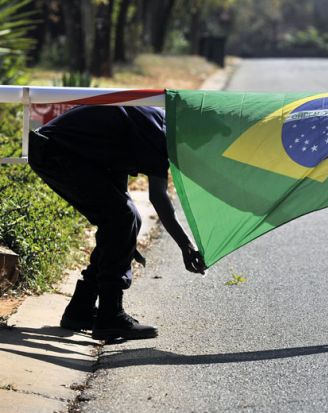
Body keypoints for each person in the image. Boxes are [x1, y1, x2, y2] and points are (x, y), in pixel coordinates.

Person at [28, 105, 207, 341]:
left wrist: (125, 241)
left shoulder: (159, 125)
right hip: (55, 150)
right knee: (122, 219)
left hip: (70, 152)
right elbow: (159, 198)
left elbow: (115, 166)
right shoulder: (160, 135)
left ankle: (80, 310)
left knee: (125, 219)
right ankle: (110, 316)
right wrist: (186, 246)